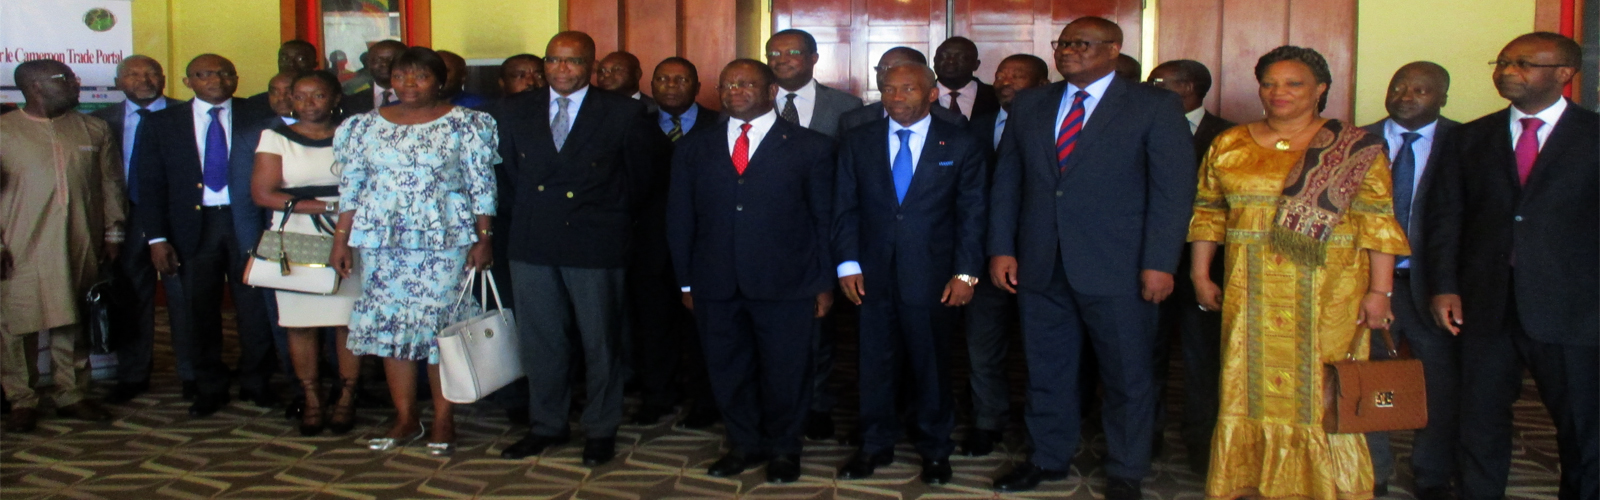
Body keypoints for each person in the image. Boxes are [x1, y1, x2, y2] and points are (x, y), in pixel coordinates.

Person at [986, 17, 1195, 496]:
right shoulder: (1033, 103)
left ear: (1114, 49)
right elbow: (1008, 181)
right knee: (1047, 369)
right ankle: (1047, 457)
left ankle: (1126, 470)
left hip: (1121, 267)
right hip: (1041, 262)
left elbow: (1173, 192)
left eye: (1081, 44)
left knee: (1127, 375)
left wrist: (1161, 262)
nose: (1068, 51)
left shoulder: (1153, 105)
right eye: (1063, 43)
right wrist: (1001, 248)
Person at [1189, 46, 1406, 500]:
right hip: (1249, 288)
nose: (1279, 92)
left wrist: (1380, 292)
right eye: (1269, 83)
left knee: (1323, 384)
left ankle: (1324, 485)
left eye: (1293, 83)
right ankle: (1250, 480)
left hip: (1330, 289)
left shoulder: (1353, 147)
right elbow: (1208, 212)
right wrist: (1200, 274)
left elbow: (1378, 222)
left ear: (1320, 88)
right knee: (1246, 381)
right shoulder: (1230, 143)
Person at [1426, 32, 1597, 500]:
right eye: (1502, 62)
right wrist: (1444, 285)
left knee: (1582, 427)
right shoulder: (1470, 137)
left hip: (1574, 310)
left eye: (1523, 64)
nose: (1506, 72)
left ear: (1564, 73)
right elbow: (1446, 217)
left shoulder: (1593, 136)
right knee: (1478, 420)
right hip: (1485, 303)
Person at [494, 31, 668, 467]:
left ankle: (600, 428)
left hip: (595, 240)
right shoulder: (514, 109)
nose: (562, 69)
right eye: (554, 60)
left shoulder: (623, 112)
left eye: (572, 61)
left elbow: (640, 181)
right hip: (532, 240)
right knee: (540, 341)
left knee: (600, 341)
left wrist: (603, 217)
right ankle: (546, 424)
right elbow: (509, 176)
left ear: (591, 66)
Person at [666, 58, 836, 484]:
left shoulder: (810, 146)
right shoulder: (694, 147)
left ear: (772, 91)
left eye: (746, 84)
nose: (734, 92)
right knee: (728, 369)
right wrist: (686, 281)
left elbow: (824, 220)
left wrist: (823, 282)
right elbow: (680, 218)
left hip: (788, 283)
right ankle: (743, 443)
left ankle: (784, 449)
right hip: (715, 282)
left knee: (786, 372)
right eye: (727, 85)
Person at [329, 47, 499, 457]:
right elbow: (351, 187)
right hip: (382, 242)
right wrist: (341, 238)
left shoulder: (466, 124)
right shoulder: (362, 126)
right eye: (401, 76)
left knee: (439, 329)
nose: (409, 84)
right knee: (392, 327)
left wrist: (484, 238)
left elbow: (482, 185)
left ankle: (444, 418)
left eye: (420, 77)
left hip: (443, 240)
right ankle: (405, 417)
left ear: (439, 81)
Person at [832, 61, 986, 485]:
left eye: (908, 89)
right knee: (873, 363)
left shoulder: (961, 143)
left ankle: (935, 449)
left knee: (931, 365)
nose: (896, 97)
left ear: (932, 94)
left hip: (933, 277)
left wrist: (966, 274)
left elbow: (973, 214)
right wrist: (847, 263)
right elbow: (844, 205)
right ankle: (874, 444)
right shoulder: (858, 140)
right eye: (888, 89)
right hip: (870, 276)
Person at [136, 54, 278, 417]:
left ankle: (257, 381)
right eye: (204, 74)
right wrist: (156, 239)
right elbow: (149, 184)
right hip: (192, 227)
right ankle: (209, 385)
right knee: (198, 310)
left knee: (255, 308)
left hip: (246, 221)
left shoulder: (258, 115)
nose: (215, 79)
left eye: (224, 73)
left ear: (236, 77)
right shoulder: (162, 122)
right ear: (188, 82)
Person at [0, 59, 124, 432]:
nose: (75, 82)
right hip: (17, 244)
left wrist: (113, 233)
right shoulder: (4, 130)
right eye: (65, 78)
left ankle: (72, 394)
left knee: (72, 316)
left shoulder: (94, 128)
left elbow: (110, 183)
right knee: (16, 324)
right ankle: (22, 399)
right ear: (35, 86)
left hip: (79, 238)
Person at [1358, 61, 1458, 500]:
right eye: (1398, 86)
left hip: (1434, 284)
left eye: (1420, 90)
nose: (1405, 96)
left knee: (1439, 381)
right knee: (1368, 378)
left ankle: (1431, 474)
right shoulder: (1356, 139)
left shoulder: (1465, 141)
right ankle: (1373, 470)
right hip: (1364, 282)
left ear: (1442, 98)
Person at [250, 71, 365, 437]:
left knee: (348, 321)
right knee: (300, 322)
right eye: (299, 97)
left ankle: (346, 398)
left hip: (351, 231)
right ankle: (312, 398)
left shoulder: (354, 134)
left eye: (318, 96)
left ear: (335, 98)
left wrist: (341, 212)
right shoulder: (275, 137)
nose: (308, 103)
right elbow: (263, 193)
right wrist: (324, 206)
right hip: (297, 233)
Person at [1145, 57, 1235, 474]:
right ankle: (1147, 433)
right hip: (1149, 261)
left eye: (1158, 82)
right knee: (1147, 353)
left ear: (1189, 87)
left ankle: (1201, 439)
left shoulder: (1231, 135)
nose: (1149, 88)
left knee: (1203, 358)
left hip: (1207, 266)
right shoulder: (1139, 124)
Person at [92, 55, 196, 405]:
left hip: (176, 217)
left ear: (164, 78)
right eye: (133, 74)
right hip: (126, 216)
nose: (144, 80)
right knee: (131, 297)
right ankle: (133, 375)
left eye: (152, 73)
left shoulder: (187, 113)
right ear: (118, 82)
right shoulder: (98, 121)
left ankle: (192, 373)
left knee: (183, 298)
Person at [960, 52, 1049, 457]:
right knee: (983, 347)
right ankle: (987, 420)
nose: (1005, 81)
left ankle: (1042, 426)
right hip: (983, 256)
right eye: (1001, 74)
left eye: (1018, 76)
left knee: (1044, 349)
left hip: (1043, 256)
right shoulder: (974, 127)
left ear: (1042, 85)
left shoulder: (1055, 126)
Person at [628, 56, 722, 429]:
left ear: (697, 86)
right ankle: (657, 397)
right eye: (662, 79)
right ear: (650, 85)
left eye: (681, 79)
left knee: (705, 329)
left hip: (707, 247)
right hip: (649, 246)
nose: (670, 85)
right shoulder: (635, 126)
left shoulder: (721, 124)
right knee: (653, 326)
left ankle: (705, 400)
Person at [838, 47, 968, 132]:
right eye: (882, 68)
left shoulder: (952, 122)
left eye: (898, 69)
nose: (887, 74)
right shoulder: (854, 121)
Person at [766, 29, 864, 138]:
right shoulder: (755, 101)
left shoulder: (846, 105)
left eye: (793, 53)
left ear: (814, 58)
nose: (782, 60)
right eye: (774, 54)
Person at [244, 40, 320, 115]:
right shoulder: (255, 104)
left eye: (301, 59)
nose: (291, 64)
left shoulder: (321, 101)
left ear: (315, 64)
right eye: (285, 58)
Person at [932, 37, 999, 120]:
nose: (951, 61)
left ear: (976, 64)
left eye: (961, 57)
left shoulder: (996, 96)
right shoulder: (922, 95)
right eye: (943, 56)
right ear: (934, 61)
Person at [343, 39, 407, 115]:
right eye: (377, 60)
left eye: (392, 60)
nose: (384, 64)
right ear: (368, 63)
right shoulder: (351, 99)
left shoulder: (417, 97)